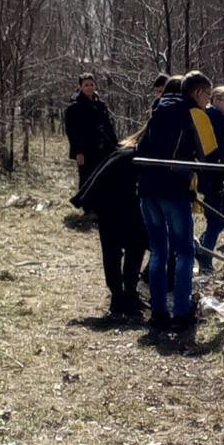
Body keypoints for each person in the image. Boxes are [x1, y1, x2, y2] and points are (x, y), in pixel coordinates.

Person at [137, 70, 219, 329]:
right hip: (174, 191)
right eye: (208, 95)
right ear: (197, 93)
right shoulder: (196, 114)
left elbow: (140, 147)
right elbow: (211, 155)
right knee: (184, 252)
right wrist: (214, 186)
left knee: (159, 251)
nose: (209, 100)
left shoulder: (157, 110)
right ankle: (182, 311)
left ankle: (158, 311)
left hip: (148, 190)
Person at [71, 131, 147, 316]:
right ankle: (121, 296)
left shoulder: (128, 154)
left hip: (119, 205)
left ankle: (126, 294)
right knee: (125, 249)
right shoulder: (129, 155)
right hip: (112, 206)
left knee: (129, 248)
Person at [195, 85, 224, 274]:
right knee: (217, 217)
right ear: (216, 99)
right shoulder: (213, 116)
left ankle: (203, 246)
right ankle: (205, 256)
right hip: (214, 174)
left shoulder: (217, 117)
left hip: (217, 173)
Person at [65, 73, 117, 188]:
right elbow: (72, 132)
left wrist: (115, 146)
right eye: (86, 85)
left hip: (103, 149)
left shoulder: (101, 106)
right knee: (86, 180)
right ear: (80, 87)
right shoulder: (74, 108)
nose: (89, 87)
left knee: (102, 181)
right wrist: (78, 152)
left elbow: (108, 127)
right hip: (85, 151)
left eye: (91, 85)